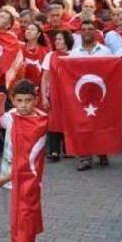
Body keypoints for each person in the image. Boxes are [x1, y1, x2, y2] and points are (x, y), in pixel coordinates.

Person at [0, 79, 47, 242]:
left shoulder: (39, 122)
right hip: (7, 177)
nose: (23, 105)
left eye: (28, 100)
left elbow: (28, 161)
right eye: (19, 100)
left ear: (35, 100)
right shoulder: (12, 116)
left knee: (26, 221)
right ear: (13, 100)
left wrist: (3, 178)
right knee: (13, 218)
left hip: (27, 181)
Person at [69, 19, 112, 171]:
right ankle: (84, 157)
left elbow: (110, 73)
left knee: (100, 123)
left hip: (100, 95)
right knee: (83, 125)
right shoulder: (73, 53)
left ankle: (101, 151)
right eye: (84, 29)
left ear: (95, 32)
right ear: (80, 33)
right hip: (81, 96)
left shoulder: (105, 51)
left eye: (90, 29)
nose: (87, 31)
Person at [41, 30, 73, 161]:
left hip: (69, 94)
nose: (57, 42)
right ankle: (54, 150)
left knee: (69, 120)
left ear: (67, 41)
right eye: (56, 39)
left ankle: (68, 148)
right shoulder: (50, 55)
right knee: (53, 120)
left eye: (60, 39)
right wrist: (44, 96)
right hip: (54, 93)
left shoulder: (73, 55)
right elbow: (44, 78)